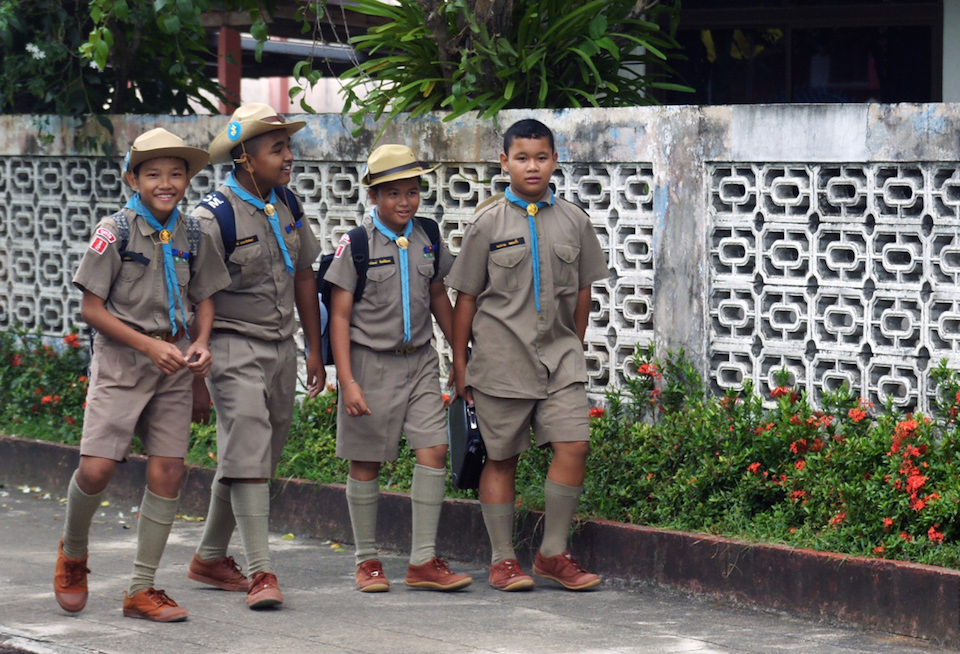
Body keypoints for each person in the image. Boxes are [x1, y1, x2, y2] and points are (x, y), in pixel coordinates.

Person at [54, 128, 229, 621]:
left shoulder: (195, 232)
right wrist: (148, 344)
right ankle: (73, 551)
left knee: (168, 470)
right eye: (153, 174)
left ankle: (141, 588)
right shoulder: (116, 230)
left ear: (188, 180)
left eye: (176, 173)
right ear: (134, 178)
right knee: (98, 468)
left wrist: (199, 346)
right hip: (122, 359)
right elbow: (92, 308)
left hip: (174, 362)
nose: (166, 183)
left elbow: (206, 296)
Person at [448, 119, 608, 592]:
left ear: (555, 160)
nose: (532, 166)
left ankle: (553, 552)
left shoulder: (575, 221)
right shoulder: (487, 223)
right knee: (501, 459)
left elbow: (583, 291)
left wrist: (573, 346)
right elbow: (467, 299)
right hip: (500, 361)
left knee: (575, 444)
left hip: (560, 360)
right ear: (505, 163)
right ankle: (502, 559)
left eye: (541, 157)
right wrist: (460, 365)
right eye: (522, 157)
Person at [186, 104, 325, 609]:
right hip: (228, 344)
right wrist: (197, 373)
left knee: (256, 456)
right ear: (246, 157)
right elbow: (193, 297)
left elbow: (305, 276)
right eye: (278, 149)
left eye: (288, 147)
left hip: (280, 346)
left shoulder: (286, 203)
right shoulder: (210, 218)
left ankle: (207, 556)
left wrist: (314, 349)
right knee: (247, 445)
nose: (289, 157)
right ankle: (262, 571)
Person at [324, 144, 472, 593]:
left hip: (421, 362)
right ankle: (366, 560)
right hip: (370, 365)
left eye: (412, 191)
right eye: (392, 193)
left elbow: (439, 296)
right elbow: (340, 317)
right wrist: (347, 381)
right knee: (366, 461)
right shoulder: (357, 244)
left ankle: (422, 560)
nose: (405, 202)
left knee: (434, 451)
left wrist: (460, 355)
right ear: (372, 196)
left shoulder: (427, 232)